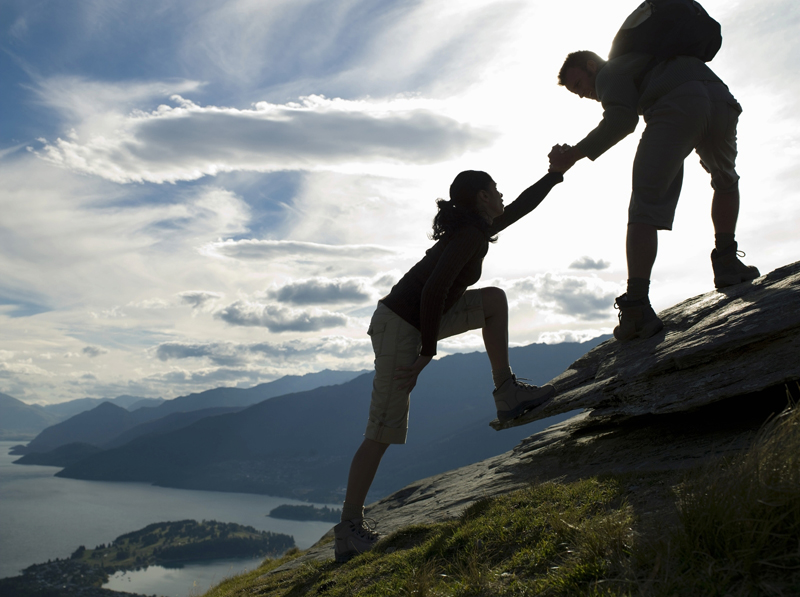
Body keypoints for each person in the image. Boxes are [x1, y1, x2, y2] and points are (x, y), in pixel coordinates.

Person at [333, 153, 567, 563]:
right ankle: (350, 527)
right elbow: (432, 291)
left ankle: (507, 391)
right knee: (382, 428)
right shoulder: (468, 237)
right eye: (495, 190)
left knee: (493, 301)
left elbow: (521, 208)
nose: (501, 195)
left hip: (420, 318)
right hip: (401, 326)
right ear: (481, 196)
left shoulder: (475, 228)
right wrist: (427, 354)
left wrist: (555, 175)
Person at [549, 49, 759, 342]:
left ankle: (636, 307)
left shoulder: (609, 73)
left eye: (579, 84)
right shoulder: (650, 58)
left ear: (591, 65)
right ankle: (727, 262)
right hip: (720, 97)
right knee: (725, 179)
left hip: (679, 102)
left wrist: (572, 155)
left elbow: (621, 121)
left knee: (644, 205)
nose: (583, 94)